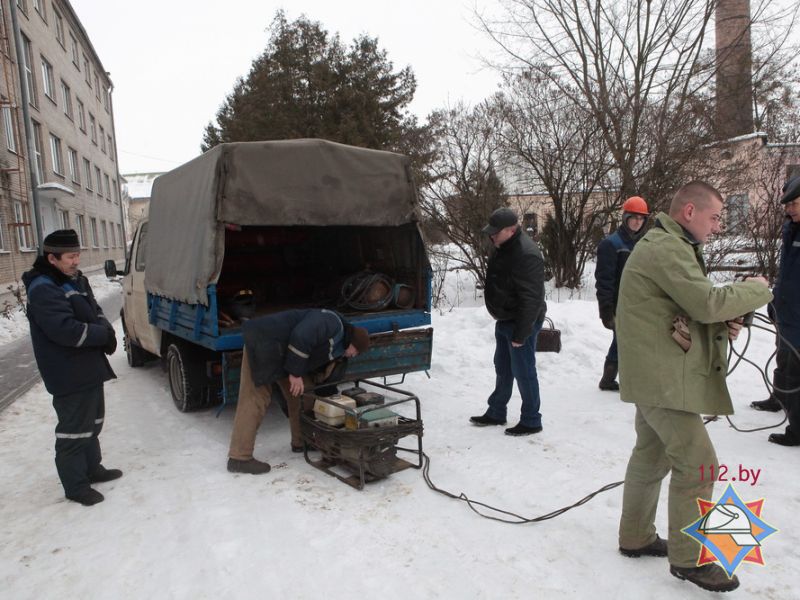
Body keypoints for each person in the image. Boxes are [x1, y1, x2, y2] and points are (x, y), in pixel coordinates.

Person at [615, 182, 771, 592]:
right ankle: (688, 558)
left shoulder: (669, 245)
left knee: (651, 457)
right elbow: (704, 303)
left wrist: (721, 319)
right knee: (699, 463)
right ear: (689, 211)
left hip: (653, 375)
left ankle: (636, 536)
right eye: (715, 217)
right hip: (660, 380)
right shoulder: (666, 248)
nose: (718, 226)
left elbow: (681, 304)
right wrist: (754, 290)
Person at [23, 229, 120, 506]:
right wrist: (101, 335)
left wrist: (106, 330)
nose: (76, 261)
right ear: (52, 258)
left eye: (78, 255)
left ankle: (92, 469)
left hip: (87, 365)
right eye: (70, 257)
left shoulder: (75, 280)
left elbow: (95, 311)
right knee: (73, 429)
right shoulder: (43, 287)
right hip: (66, 370)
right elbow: (64, 330)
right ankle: (75, 485)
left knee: (93, 422)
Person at [227, 308, 370, 474]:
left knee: (304, 394)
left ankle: (302, 440)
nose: (354, 355)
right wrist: (295, 373)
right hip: (264, 342)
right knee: (255, 400)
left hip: (281, 351)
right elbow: (302, 336)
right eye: (356, 352)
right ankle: (239, 457)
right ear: (353, 343)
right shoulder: (331, 323)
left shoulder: (338, 343)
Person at [470, 207, 547, 436]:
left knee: (524, 370)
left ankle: (532, 419)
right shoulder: (502, 246)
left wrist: (521, 334)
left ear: (511, 230)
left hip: (521, 322)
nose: (491, 235)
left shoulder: (527, 254)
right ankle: (496, 411)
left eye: (496, 232)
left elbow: (532, 299)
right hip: (505, 319)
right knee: (503, 367)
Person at [751, 175, 800, 446]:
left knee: (796, 372)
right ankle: (779, 399)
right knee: (784, 361)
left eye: (793, 203)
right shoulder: (791, 228)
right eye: (787, 204)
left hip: (799, 317)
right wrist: (775, 300)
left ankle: (797, 430)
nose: (788, 209)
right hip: (787, 312)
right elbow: (787, 272)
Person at [595, 196, 650, 391]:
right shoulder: (611, 244)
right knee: (623, 342)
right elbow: (604, 280)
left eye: (641, 218)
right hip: (619, 305)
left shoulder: (643, 244)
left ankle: (610, 380)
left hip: (639, 304)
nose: (638, 221)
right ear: (625, 217)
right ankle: (615, 380)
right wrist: (606, 310)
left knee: (624, 342)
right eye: (634, 217)